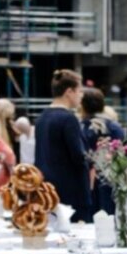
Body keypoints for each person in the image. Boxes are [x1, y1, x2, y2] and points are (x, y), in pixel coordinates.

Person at [34, 70, 92, 222]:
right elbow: (78, 155)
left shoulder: (42, 118)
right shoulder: (68, 118)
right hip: (71, 190)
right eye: (79, 91)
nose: (81, 95)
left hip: (46, 187)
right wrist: (92, 160)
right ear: (69, 92)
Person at [80, 88, 124, 216]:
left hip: (86, 179)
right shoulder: (113, 127)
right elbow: (123, 153)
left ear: (82, 105)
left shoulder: (79, 127)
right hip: (110, 178)